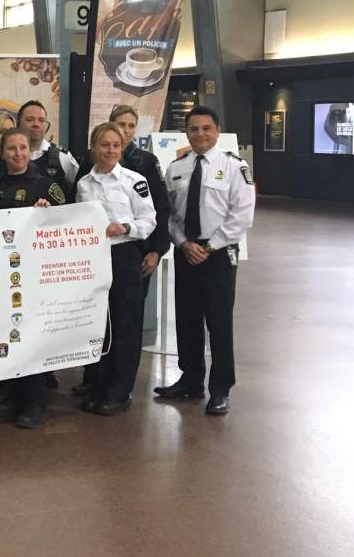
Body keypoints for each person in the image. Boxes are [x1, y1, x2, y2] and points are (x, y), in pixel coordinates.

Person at [155, 106, 256, 415]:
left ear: (217, 131)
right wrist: (184, 243)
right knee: (186, 319)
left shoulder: (235, 167)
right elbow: (169, 216)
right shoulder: (176, 168)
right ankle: (191, 380)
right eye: (194, 128)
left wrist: (208, 246)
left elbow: (242, 216)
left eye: (206, 128)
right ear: (186, 132)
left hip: (218, 255)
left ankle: (220, 389)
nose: (200, 134)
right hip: (187, 252)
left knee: (219, 322)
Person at [72, 105, 172, 400]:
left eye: (116, 145)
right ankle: (99, 383)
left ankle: (120, 391)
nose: (110, 150)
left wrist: (125, 228)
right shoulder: (83, 184)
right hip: (94, 260)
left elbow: (149, 220)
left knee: (126, 324)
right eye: (104, 145)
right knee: (99, 322)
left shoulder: (134, 181)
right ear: (93, 147)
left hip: (124, 257)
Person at [0, 127, 67, 427]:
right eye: (11, 148)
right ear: (2, 152)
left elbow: (69, 222)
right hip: (0, 274)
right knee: (7, 333)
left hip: (34, 275)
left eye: (23, 148)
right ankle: (13, 395)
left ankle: (35, 402)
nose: (17, 153)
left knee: (33, 336)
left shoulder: (45, 185)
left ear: (30, 150)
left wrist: (49, 212)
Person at [18, 100, 79, 196]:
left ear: (46, 125)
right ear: (18, 123)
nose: (36, 124)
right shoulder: (10, 155)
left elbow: (77, 189)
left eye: (41, 120)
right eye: (30, 120)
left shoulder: (62, 156)